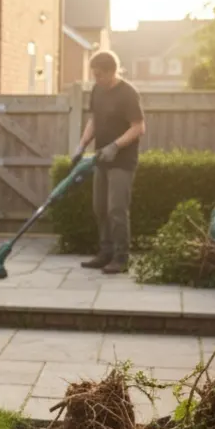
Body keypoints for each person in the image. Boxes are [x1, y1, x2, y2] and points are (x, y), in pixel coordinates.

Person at [70, 50, 146, 275]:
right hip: (101, 159)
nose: (96, 79)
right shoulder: (97, 90)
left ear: (112, 71)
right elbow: (94, 119)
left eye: (99, 75)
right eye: (94, 75)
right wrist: (82, 145)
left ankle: (121, 258)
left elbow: (138, 127)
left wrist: (115, 146)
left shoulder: (128, 93)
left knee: (116, 209)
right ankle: (105, 253)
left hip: (122, 161)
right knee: (100, 208)